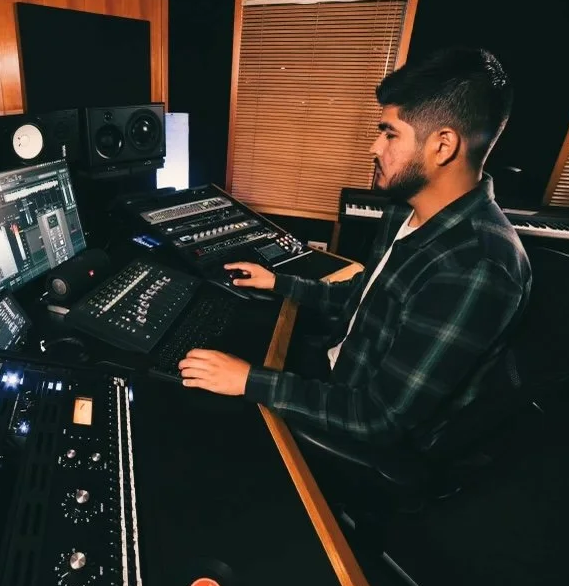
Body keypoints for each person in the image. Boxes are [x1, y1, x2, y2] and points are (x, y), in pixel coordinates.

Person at [178, 46, 532, 446]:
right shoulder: (405, 211)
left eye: (390, 133)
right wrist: (277, 283)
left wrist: (248, 380)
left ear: (443, 145)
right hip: (338, 368)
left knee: (197, 427)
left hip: (357, 424)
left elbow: (380, 419)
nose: (374, 148)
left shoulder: (476, 266)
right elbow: (365, 298)